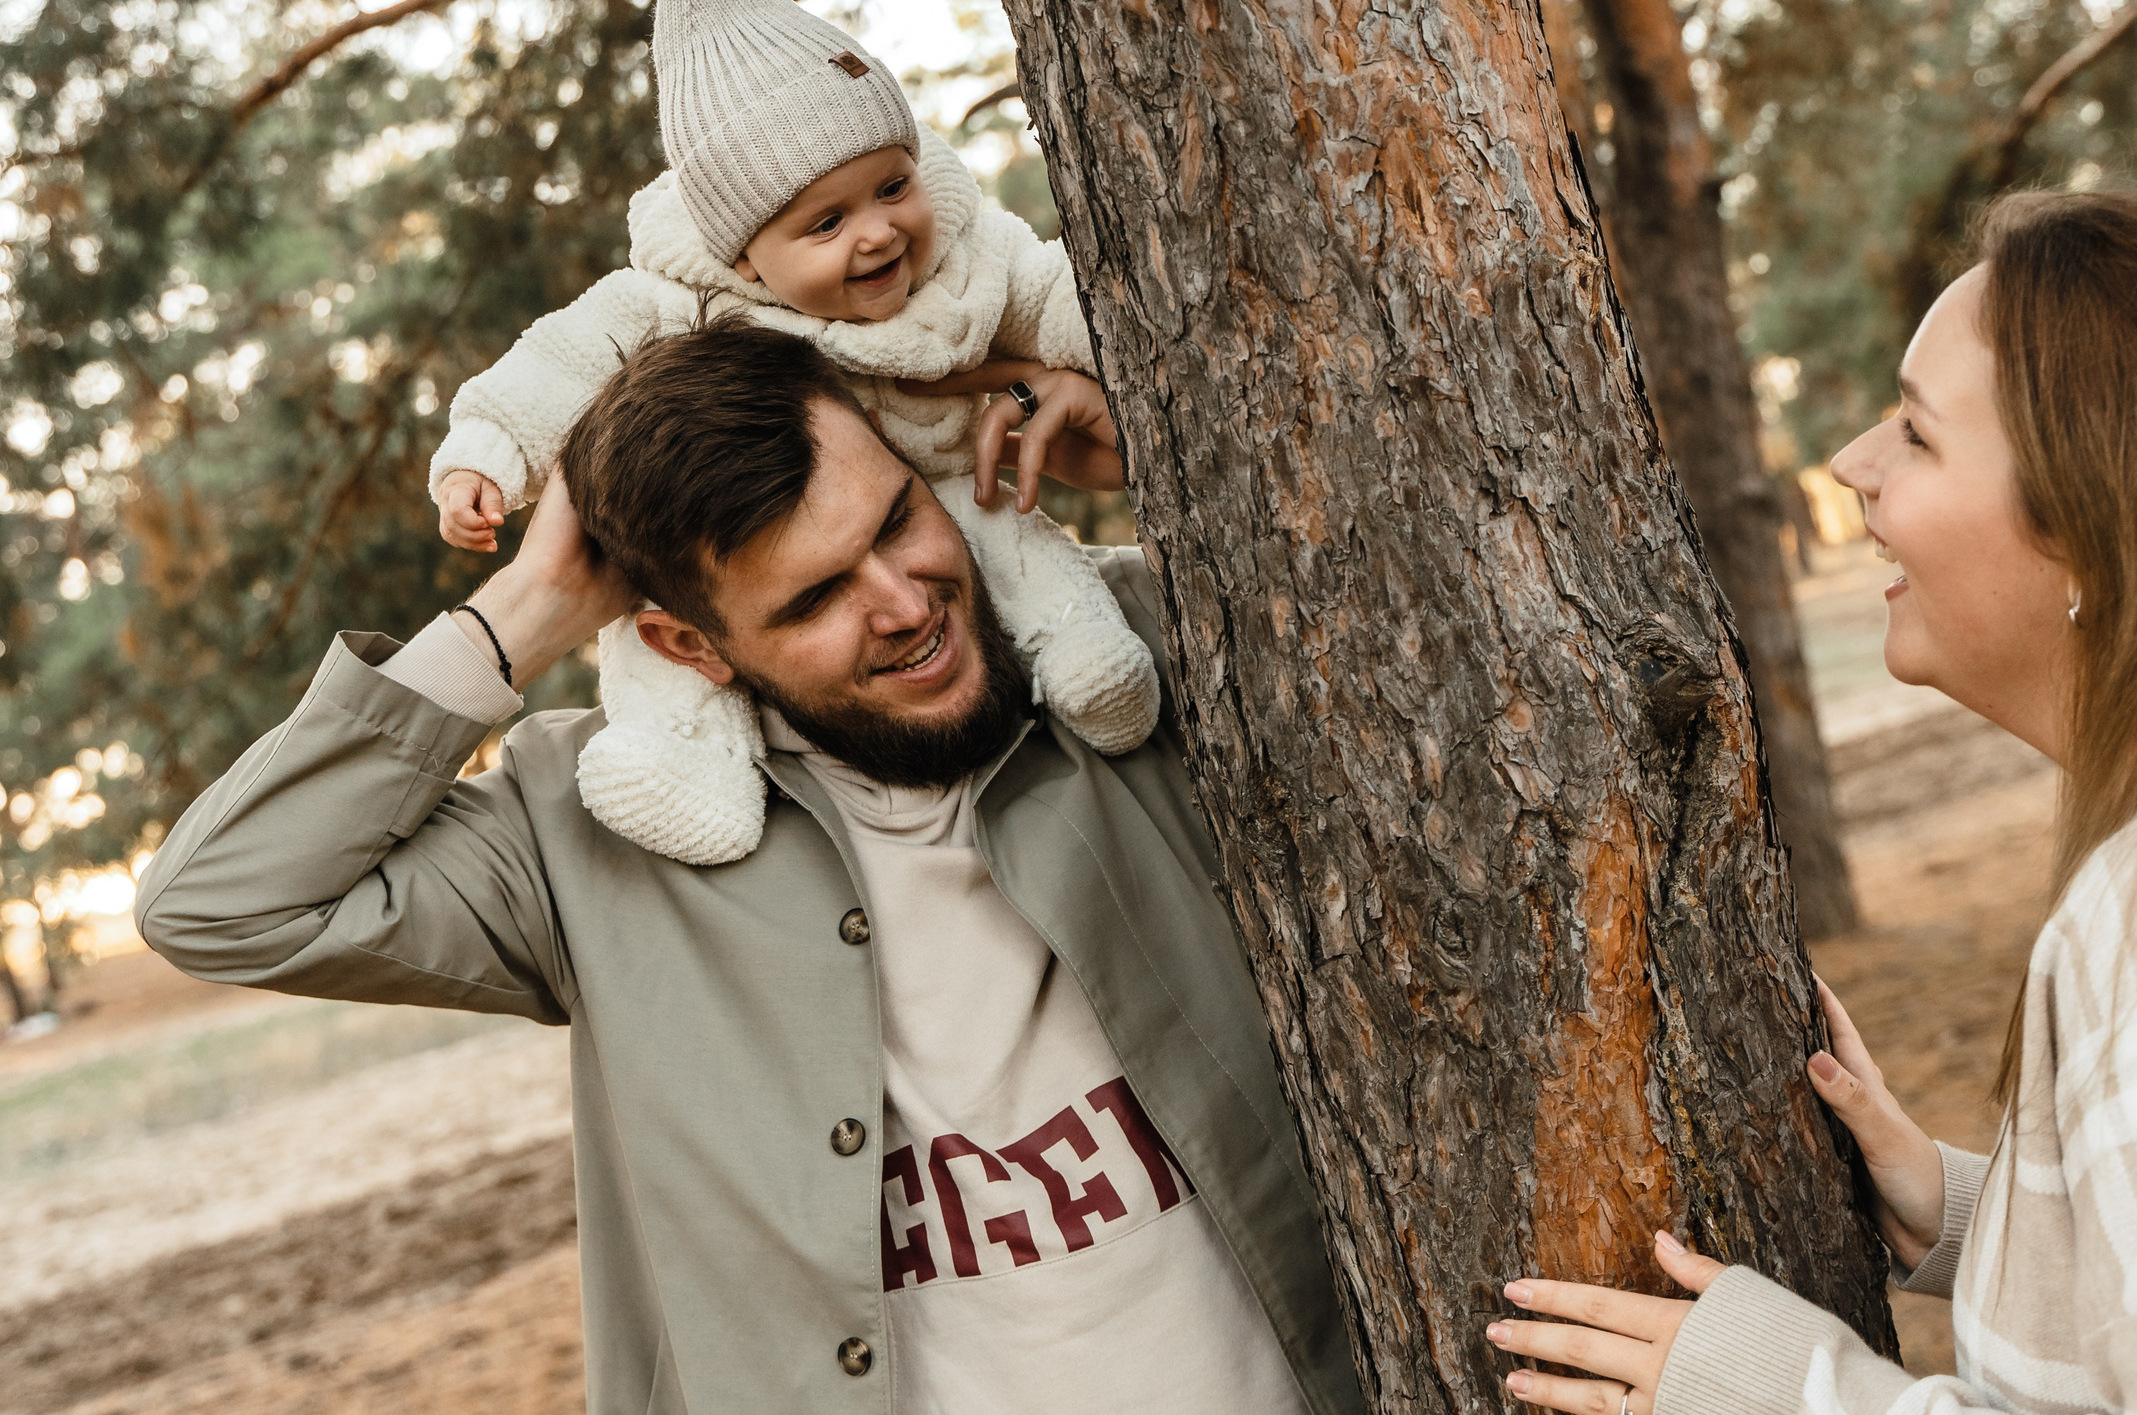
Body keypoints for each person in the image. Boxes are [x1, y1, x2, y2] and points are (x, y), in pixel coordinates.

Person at [137, 317, 1361, 1415]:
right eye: (817, 595)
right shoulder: (594, 829)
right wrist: (530, 603)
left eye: (896, 521)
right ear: (687, 642)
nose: (904, 603)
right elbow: (224, 899)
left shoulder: (1129, 657)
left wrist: (1157, 447)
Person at [1488, 188, 2137, 1412]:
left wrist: (1781, 1393)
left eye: (1917, 432)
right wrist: (1976, 1211)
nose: (1848, 465)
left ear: (2093, 540)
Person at [431, 0, 1156, 867]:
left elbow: (1069, 299)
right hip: (752, 543)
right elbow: (559, 361)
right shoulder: (674, 301)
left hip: (952, 488)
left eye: (892, 187)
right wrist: (488, 452)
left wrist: (1135, 397)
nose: (879, 233)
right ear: (745, 255)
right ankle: (674, 765)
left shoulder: (969, 260)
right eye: (825, 224)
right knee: (662, 640)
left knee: (1008, 537)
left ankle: (1085, 660)